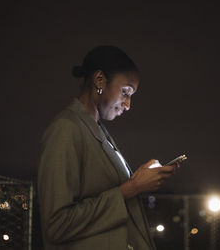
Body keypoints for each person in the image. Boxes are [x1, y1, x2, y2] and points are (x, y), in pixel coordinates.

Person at [37, 46, 178, 250]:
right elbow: (57, 224)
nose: (128, 104)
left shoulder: (96, 131)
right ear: (100, 81)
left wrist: (140, 179)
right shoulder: (66, 129)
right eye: (125, 92)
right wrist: (131, 188)